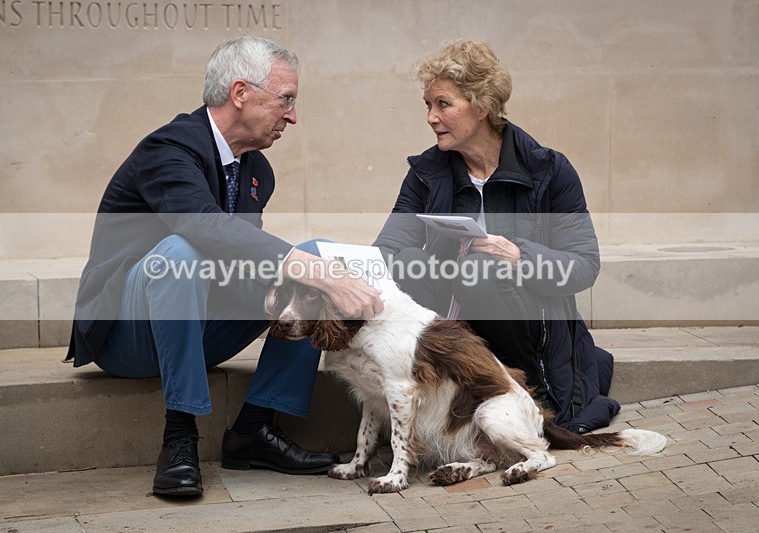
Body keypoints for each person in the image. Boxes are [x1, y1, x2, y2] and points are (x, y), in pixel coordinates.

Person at [66, 36, 383, 497]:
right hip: (126, 333)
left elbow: (242, 258)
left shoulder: (258, 172)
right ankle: (179, 438)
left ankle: (253, 429)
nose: (292, 115)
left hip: (197, 326)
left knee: (314, 252)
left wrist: (301, 273)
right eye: (286, 100)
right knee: (182, 253)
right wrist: (316, 273)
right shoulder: (168, 149)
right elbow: (204, 229)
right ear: (240, 94)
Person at [373, 39, 619, 433]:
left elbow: (585, 266)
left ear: (482, 106)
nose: (431, 118)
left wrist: (521, 255)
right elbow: (385, 251)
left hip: (527, 324)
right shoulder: (426, 172)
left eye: (443, 104)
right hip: (452, 321)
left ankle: (531, 394)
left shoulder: (549, 170)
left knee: (484, 273)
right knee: (411, 266)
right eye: (428, 105)